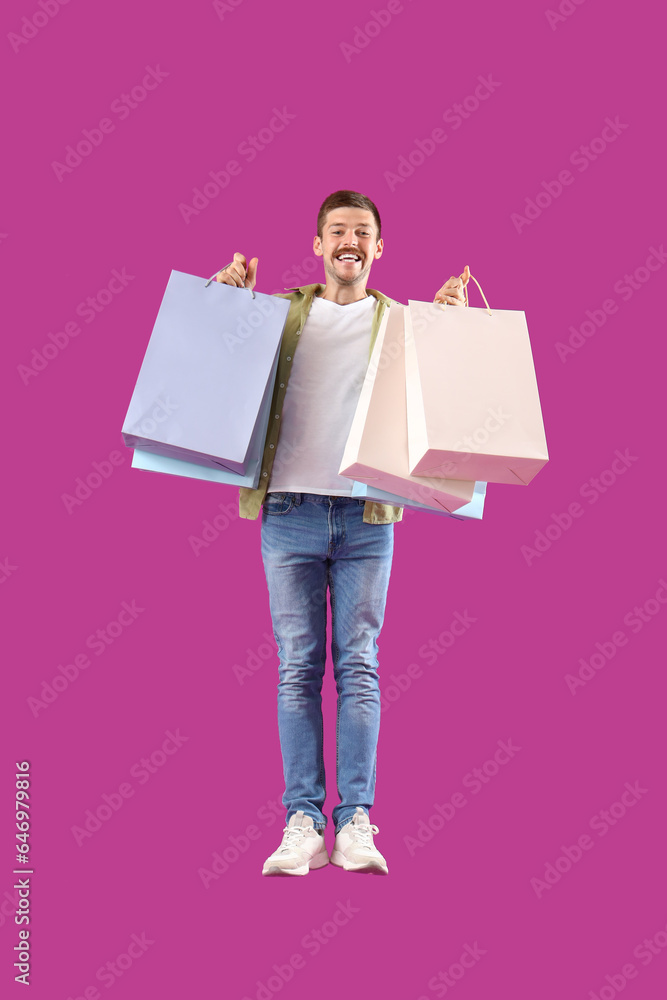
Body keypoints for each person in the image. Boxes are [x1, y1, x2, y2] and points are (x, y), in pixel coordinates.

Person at [216, 190, 468, 876]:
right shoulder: (284, 312)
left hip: (366, 517)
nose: (349, 240)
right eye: (337, 231)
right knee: (297, 666)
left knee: (357, 665)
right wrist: (222, 298)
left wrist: (451, 328)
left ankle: (355, 820)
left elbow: (443, 397)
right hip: (288, 513)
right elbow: (215, 358)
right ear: (319, 245)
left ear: (378, 249)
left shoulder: (401, 323)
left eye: (362, 231)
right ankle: (302, 820)